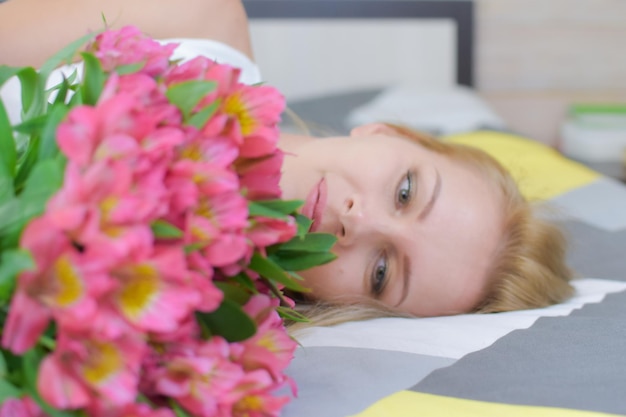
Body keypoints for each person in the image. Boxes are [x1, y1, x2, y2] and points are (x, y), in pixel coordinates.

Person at [0, 0, 573, 325]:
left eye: (381, 272)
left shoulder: (176, 320)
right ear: (385, 132)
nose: (360, 222)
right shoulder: (202, 22)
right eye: (404, 192)